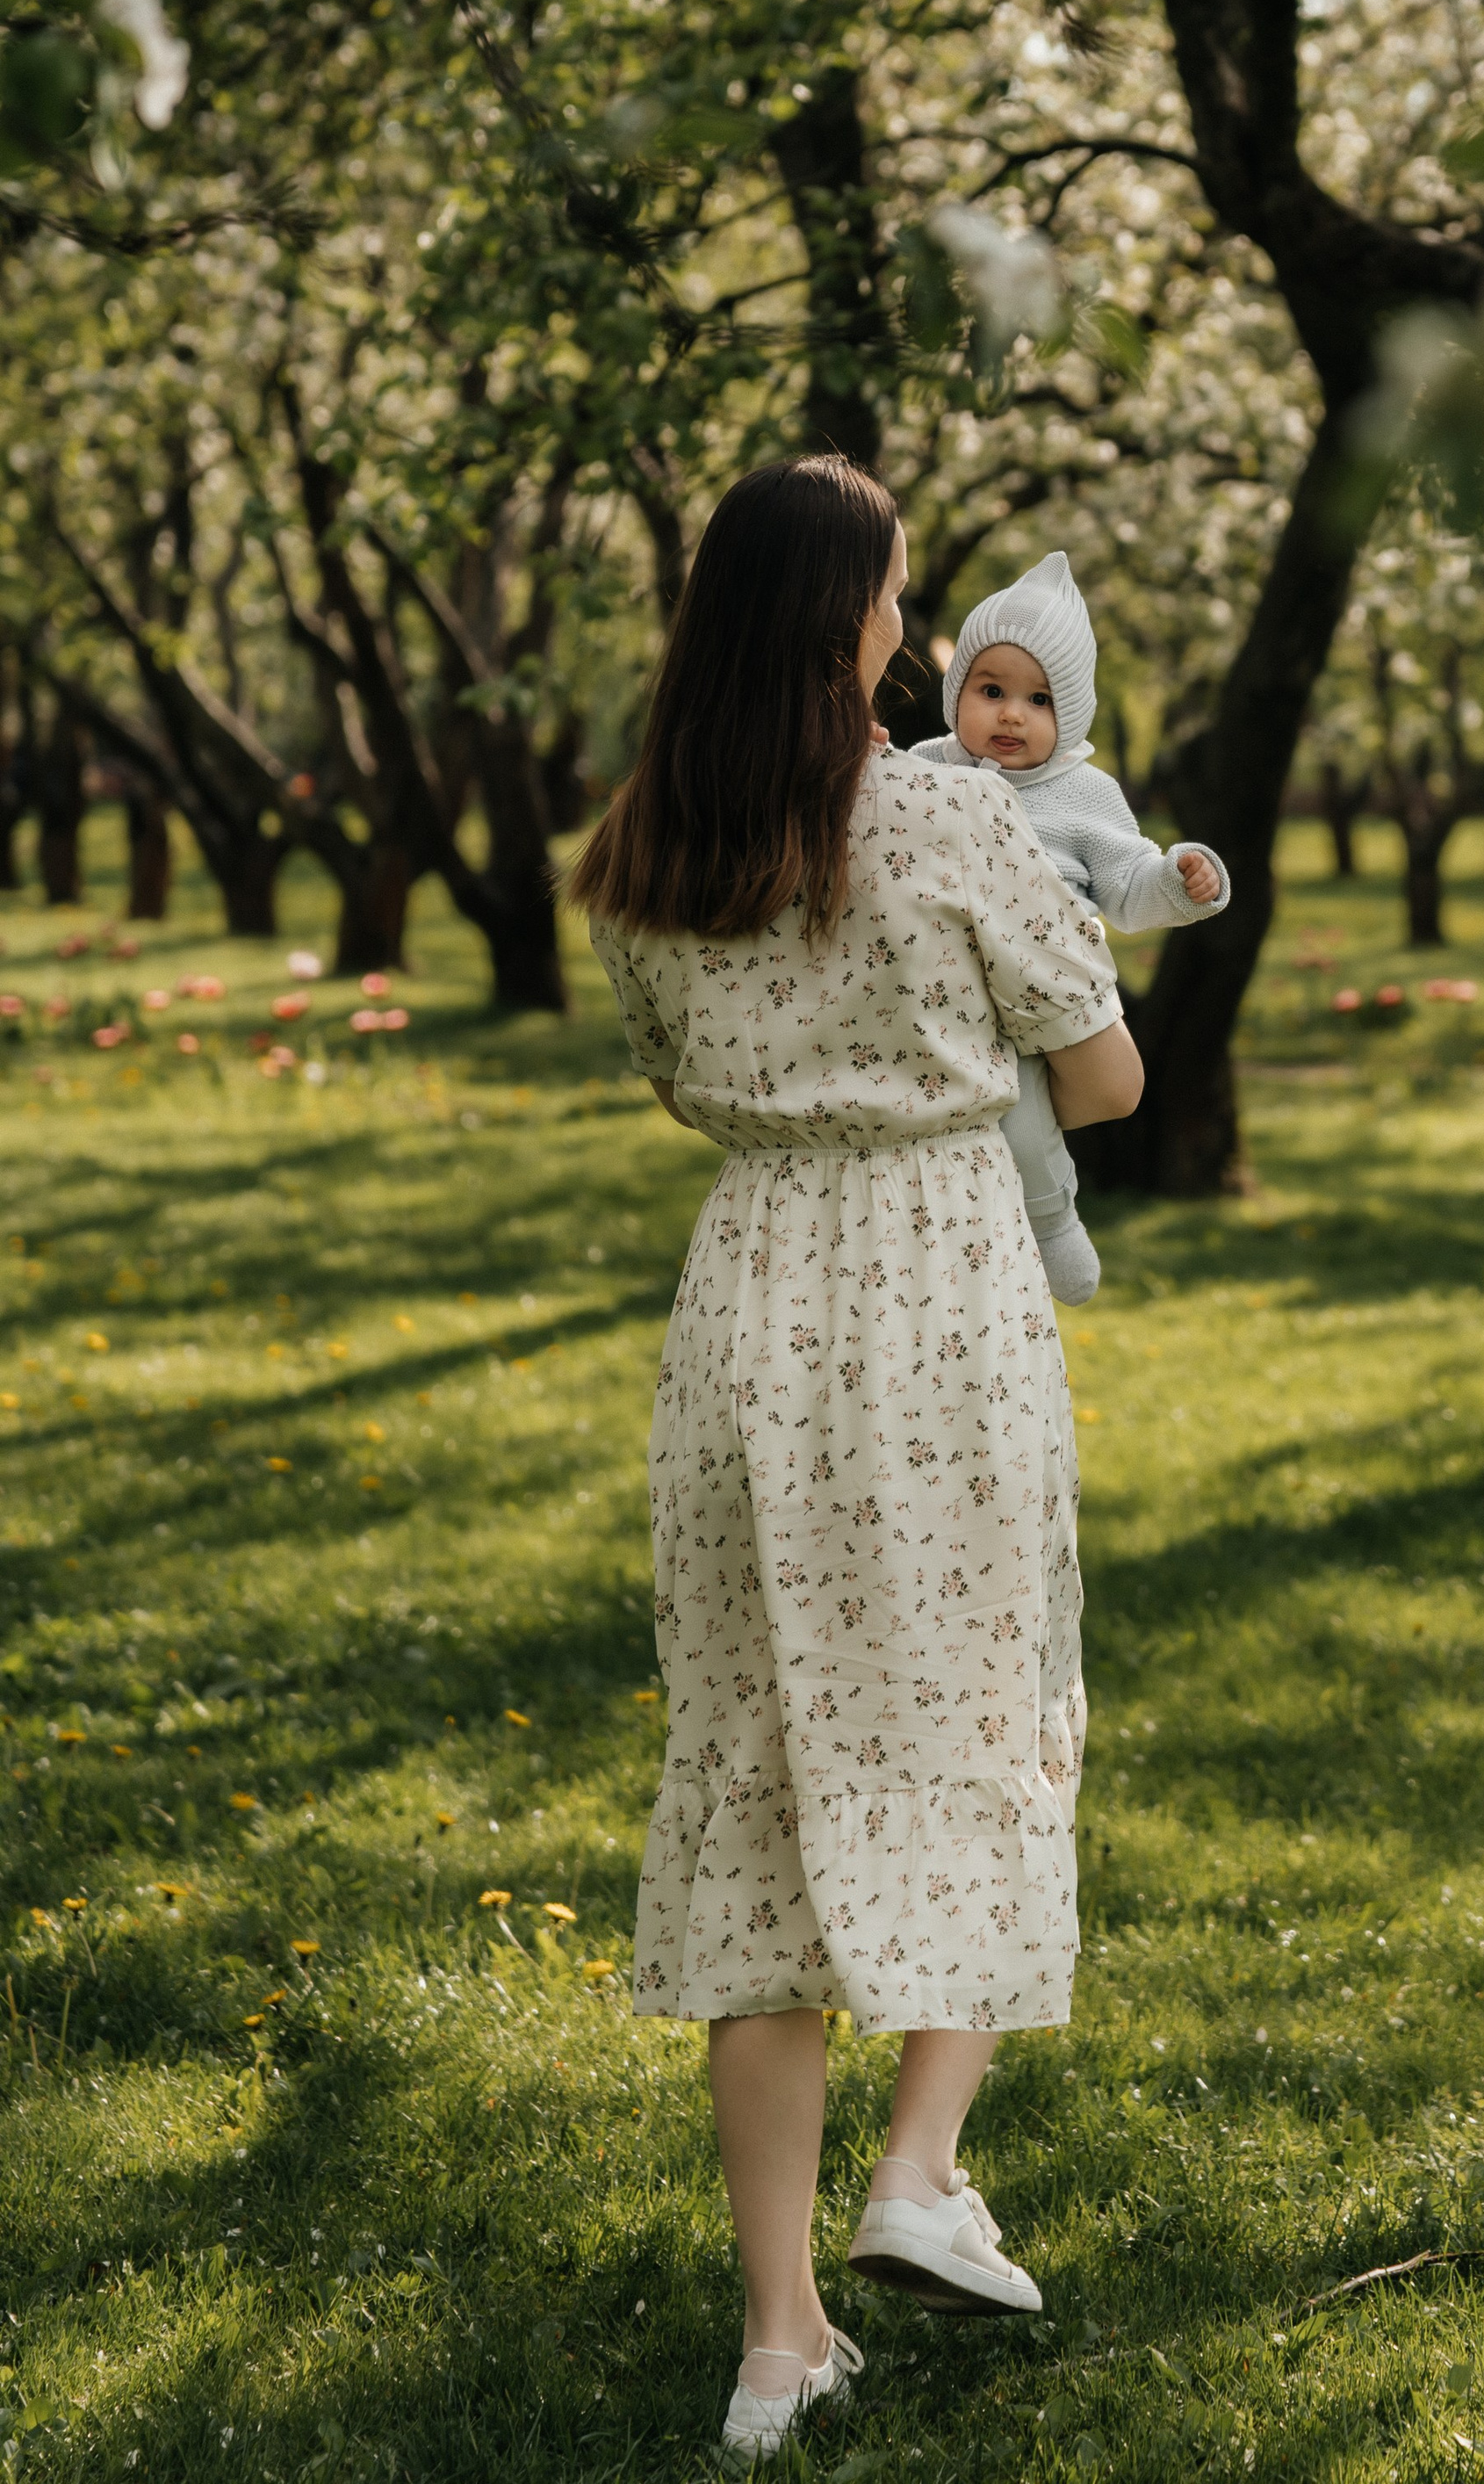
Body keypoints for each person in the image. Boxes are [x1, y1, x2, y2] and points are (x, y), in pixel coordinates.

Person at [570, 456, 1142, 2465]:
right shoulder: (944, 812)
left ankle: (777, 2336)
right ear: (851, 622)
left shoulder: (644, 844)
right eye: (899, 595)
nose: (913, 624)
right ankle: (918, 2164)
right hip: (931, 1293)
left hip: (745, 1313)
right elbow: (1101, 1068)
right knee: (976, 1714)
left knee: (759, 1780)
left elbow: (673, 1081)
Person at [914, 549, 1228, 1302]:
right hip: (941, 997)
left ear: (1074, 714)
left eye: (1040, 700)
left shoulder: (1085, 795)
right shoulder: (925, 767)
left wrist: (1179, 880)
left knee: (1023, 1124)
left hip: (1040, 1001)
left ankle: (1054, 1220)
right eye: (991, 690)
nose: (1012, 714)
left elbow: (1128, 882)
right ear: (958, 691)